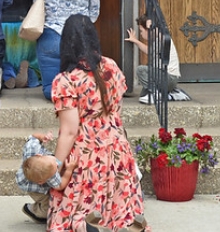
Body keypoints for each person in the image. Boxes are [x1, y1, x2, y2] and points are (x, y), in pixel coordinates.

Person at [50, 15, 150, 232]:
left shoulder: (66, 80)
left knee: (77, 212)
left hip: (85, 154)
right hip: (117, 147)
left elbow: (69, 131)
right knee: (120, 210)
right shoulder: (111, 67)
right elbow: (117, 112)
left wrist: (54, 168)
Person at [16, 131, 77, 224]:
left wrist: (42, 136)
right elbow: (60, 185)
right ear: (43, 181)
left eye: (54, 162)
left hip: (25, 178)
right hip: (35, 190)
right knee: (48, 207)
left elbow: (33, 136)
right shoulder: (49, 176)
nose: (57, 164)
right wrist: (69, 170)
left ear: (39, 155)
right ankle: (33, 210)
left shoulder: (32, 148)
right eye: (56, 167)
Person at [125, 14, 181, 104]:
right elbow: (149, 51)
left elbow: (159, 34)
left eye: (141, 31)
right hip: (163, 77)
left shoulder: (163, 38)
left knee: (141, 70)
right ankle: (166, 95)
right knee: (143, 95)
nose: (141, 34)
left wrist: (151, 26)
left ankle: (156, 94)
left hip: (169, 77)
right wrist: (135, 41)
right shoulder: (156, 42)